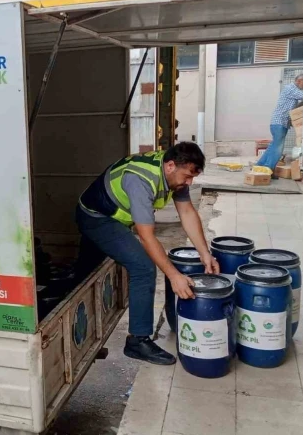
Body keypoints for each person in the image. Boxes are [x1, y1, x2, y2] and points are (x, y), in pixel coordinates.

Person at [76, 142, 219, 366]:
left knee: (84, 272)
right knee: (143, 267)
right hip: (96, 218)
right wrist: (174, 276)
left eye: (193, 177)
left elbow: (187, 212)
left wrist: (205, 253)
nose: (189, 183)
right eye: (188, 176)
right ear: (170, 166)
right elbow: (146, 236)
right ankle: (137, 341)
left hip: (114, 217)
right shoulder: (141, 180)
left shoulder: (172, 168)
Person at [257, 74, 303, 174]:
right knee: (278, 148)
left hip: (280, 123)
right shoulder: (290, 89)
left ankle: (259, 166)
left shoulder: (293, 90)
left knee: (273, 146)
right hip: (279, 123)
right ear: (299, 81)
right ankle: (268, 169)